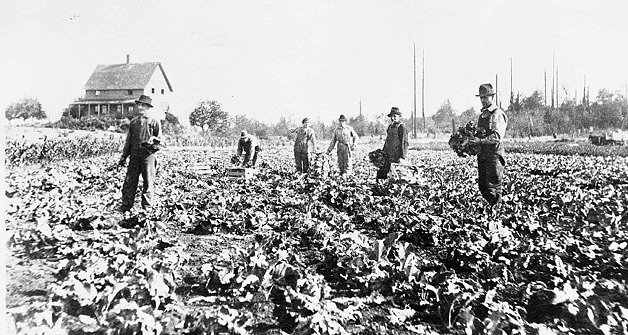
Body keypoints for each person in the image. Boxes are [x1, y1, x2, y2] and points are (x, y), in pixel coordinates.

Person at [118, 94, 162, 212]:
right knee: (130, 181)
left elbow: (160, 141)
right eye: (139, 105)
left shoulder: (154, 122)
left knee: (148, 182)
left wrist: (153, 143)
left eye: (143, 106)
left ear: (148, 107)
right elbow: (129, 141)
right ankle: (126, 206)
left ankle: (147, 209)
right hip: (134, 156)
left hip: (148, 156)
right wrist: (123, 156)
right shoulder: (134, 122)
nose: (141, 108)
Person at [469, 83, 508, 208]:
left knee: (493, 188)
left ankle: (497, 215)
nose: (483, 100)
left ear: (492, 97)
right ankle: (493, 211)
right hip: (483, 155)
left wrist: (479, 142)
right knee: (483, 187)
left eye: (486, 97)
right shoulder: (483, 115)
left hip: (494, 155)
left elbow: (497, 137)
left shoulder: (497, 114)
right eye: (481, 98)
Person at [376, 107, 409, 180]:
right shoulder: (390, 126)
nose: (393, 118)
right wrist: (383, 152)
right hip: (388, 154)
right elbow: (387, 141)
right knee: (382, 174)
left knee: (396, 176)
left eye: (395, 116)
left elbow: (404, 143)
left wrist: (402, 156)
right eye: (392, 116)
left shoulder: (402, 127)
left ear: (399, 117)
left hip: (396, 155)